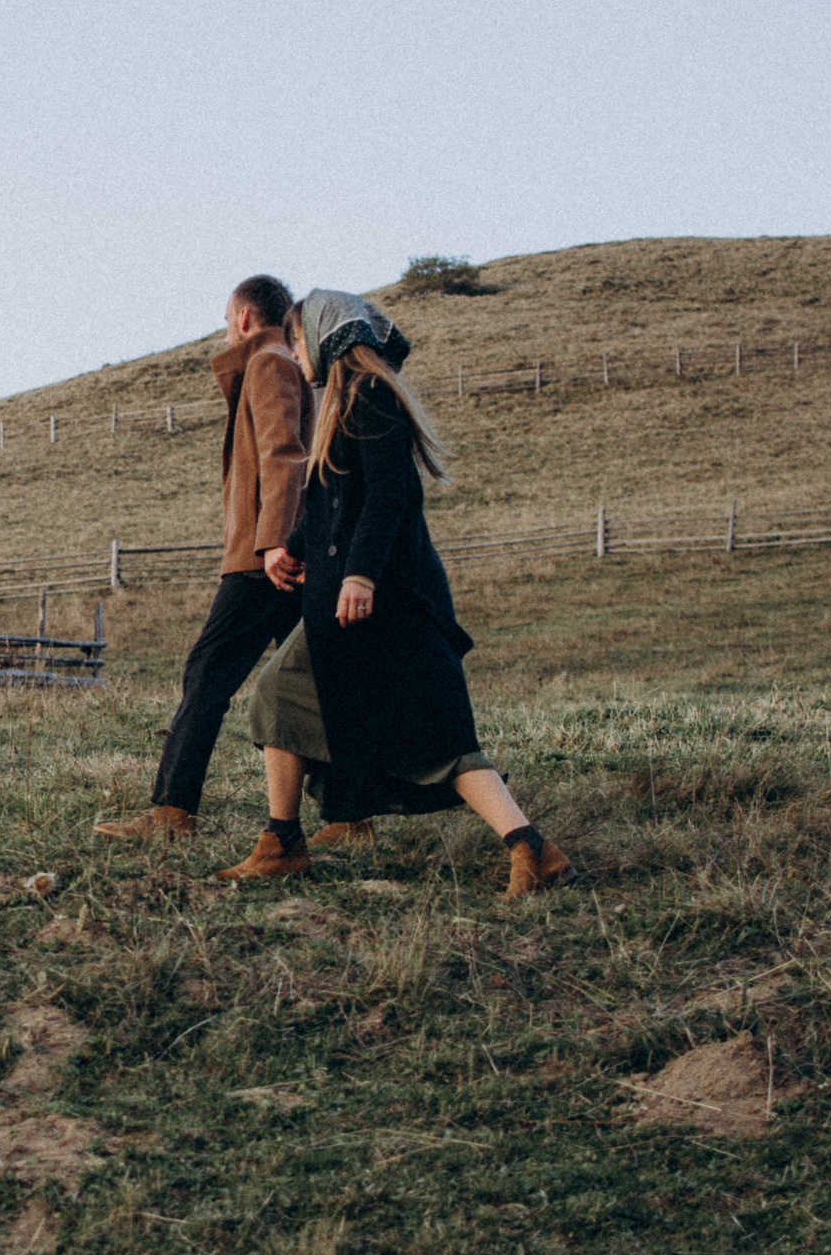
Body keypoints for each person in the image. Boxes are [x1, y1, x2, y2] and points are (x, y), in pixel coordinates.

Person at [215, 288, 578, 896]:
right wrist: (290, 550)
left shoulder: (369, 397)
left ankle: (533, 851)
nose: (295, 351)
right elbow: (333, 503)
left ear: (325, 337)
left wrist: (360, 575)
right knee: (285, 696)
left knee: (434, 739)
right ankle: (282, 841)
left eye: (299, 339)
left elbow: (387, 496)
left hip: (384, 607)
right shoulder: (344, 404)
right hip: (345, 608)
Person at [96, 275, 338, 841]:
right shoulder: (276, 360)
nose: (226, 328)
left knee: (206, 675)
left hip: (262, 561)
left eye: (228, 317)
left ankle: (173, 812)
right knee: (316, 683)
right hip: (276, 554)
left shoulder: (270, 362)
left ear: (246, 317)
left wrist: (273, 540)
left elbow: (285, 454)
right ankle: (350, 814)